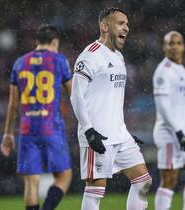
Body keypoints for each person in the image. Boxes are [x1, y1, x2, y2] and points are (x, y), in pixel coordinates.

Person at [70, 7, 152, 210]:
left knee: (143, 181)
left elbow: (110, 100)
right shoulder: (90, 55)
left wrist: (123, 130)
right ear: (105, 26)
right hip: (97, 134)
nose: (126, 27)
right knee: (96, 190)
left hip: (120, 134)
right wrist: (88, 130)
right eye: (121, 23)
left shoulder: (118, 57)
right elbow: (75, 95)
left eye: (127, 24)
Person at [0, 24, 72, 210]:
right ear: (55, 42)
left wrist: (8, 134)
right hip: (51, 126)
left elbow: (13, 104)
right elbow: (74, 95)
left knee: (31, 181)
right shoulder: (58, 60)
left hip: (27, 128)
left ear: (37, 41)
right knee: (64, 176)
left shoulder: (20, 62)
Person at [152, 31, 185, 210]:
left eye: (178, 43)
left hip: (181, 133)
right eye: (170, 43)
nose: (174, 46)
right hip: (168, 133)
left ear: (183, 47)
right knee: (169, 180)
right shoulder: (163, 71)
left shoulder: (181, 69)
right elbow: (162, 104)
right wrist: (178, 131)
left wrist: (181, 132)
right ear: (164, 47)